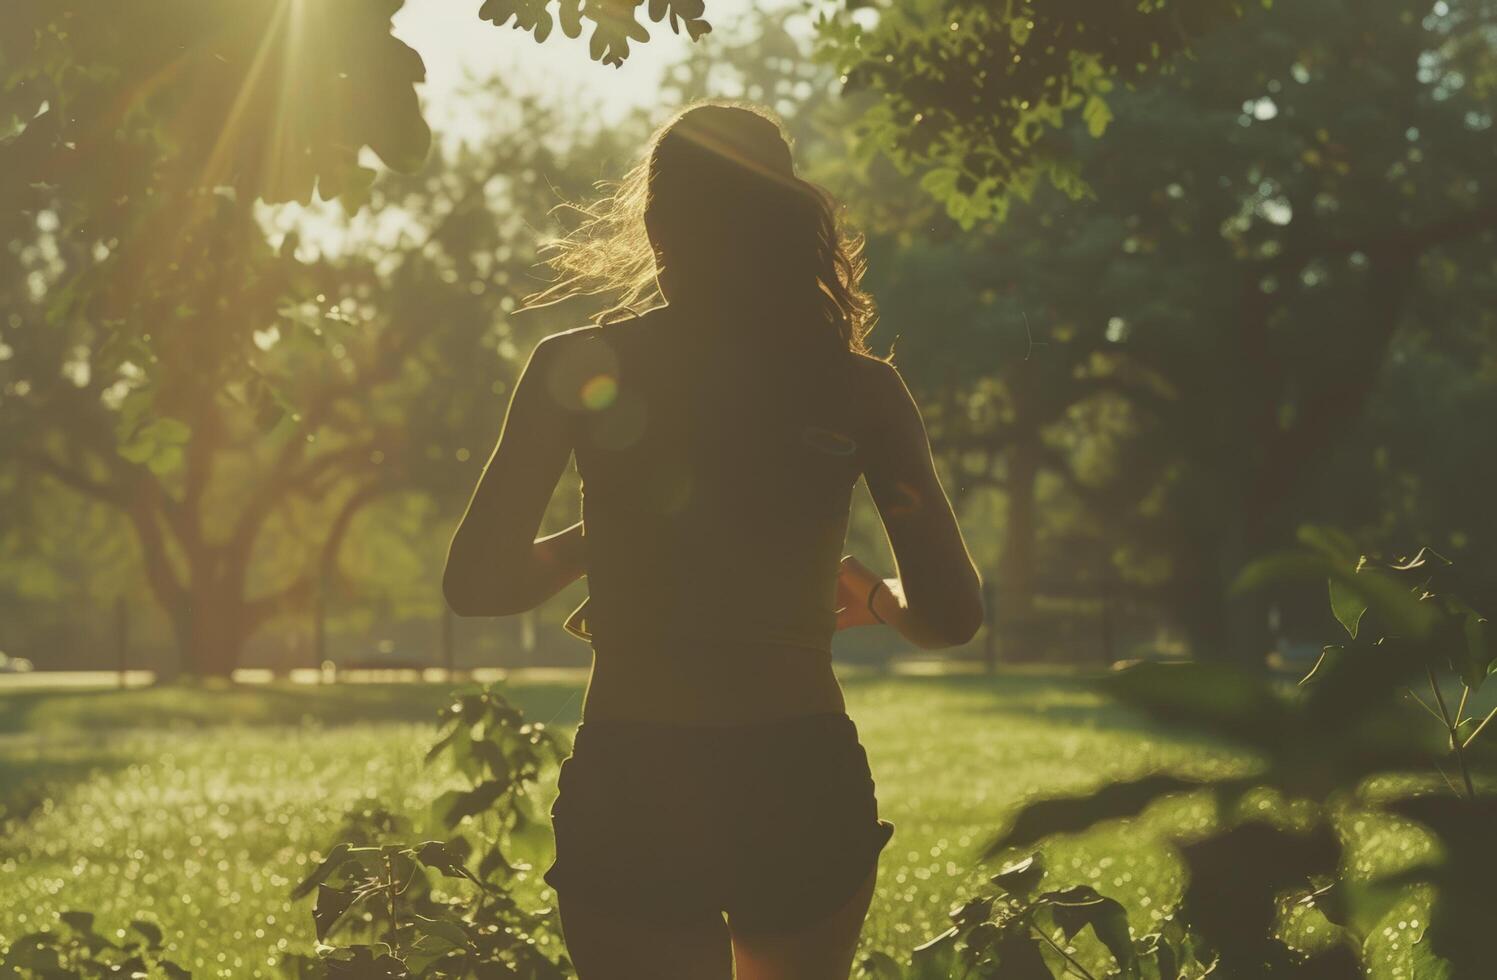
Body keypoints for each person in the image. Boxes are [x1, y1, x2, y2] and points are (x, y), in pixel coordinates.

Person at [443, 101, 983, 980]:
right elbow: (952, 615)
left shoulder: (576, 365)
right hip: (798, 775)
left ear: (657, 226)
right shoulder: (862, 391)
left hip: (636, 775)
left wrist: (602, 536)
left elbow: (478, 584)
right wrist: (876, 597)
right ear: (790, 218)